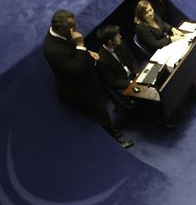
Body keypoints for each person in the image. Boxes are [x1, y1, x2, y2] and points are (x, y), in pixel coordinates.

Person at [43, 10, 133, 148]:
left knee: (103, 114)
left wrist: (86, 52)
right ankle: (114, 145)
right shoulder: (52, 50)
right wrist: (80, 45)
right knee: (101, 115)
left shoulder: (61, 35)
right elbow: (76, 69)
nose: (76, 28)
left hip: (88, 82)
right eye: (72, 27)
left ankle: (110, 133)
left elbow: (71, 51)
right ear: (61, 29)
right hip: (79, 91)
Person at [95, 24, 141, 95]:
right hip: (123, 85)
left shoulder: (121, 43)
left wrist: (138, 72)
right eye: (117, 36)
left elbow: (132, 59)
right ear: (110, 42)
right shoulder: (102, 60)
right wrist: (131, 82)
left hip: (134, 76)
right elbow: (112, 81)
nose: (120, 36)